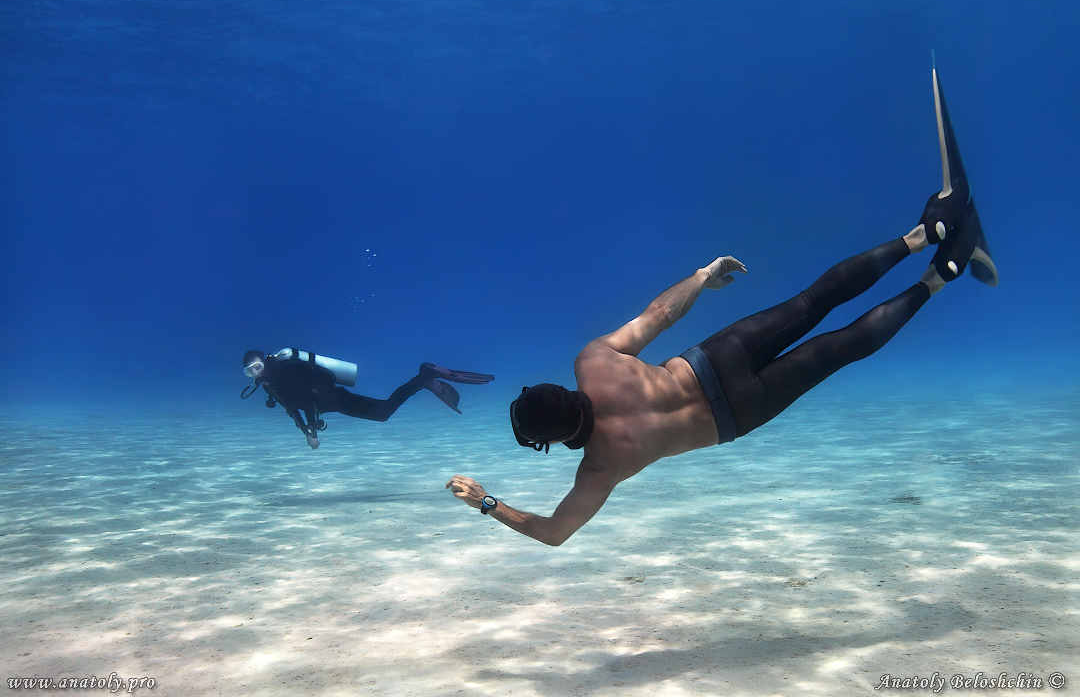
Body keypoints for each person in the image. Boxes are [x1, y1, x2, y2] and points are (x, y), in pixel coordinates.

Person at [447, 63, 998, 545]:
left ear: (555, 441)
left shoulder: (600, 468)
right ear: (561, 391)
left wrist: (487, 502)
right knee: (814, 300)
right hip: (716, 359)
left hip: (737, 412)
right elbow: (659, 315)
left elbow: (553, 533)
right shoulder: (593, 363)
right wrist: (702, 276)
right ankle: (926, 231)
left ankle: (939, 276)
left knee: (844, 347)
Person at [243, 349, 494, 449]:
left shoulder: (282, 376)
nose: (255, 373)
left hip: (336, 399)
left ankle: (423, 377)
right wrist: (308, 431)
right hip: (334, 401)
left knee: (383, 413)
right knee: (383, 412)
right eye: (250, 371)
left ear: (264, 361)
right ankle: (422, 380)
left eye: (256, 366)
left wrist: (312, 434)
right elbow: (293, 409)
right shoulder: (271, 384)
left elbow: (305, 401)